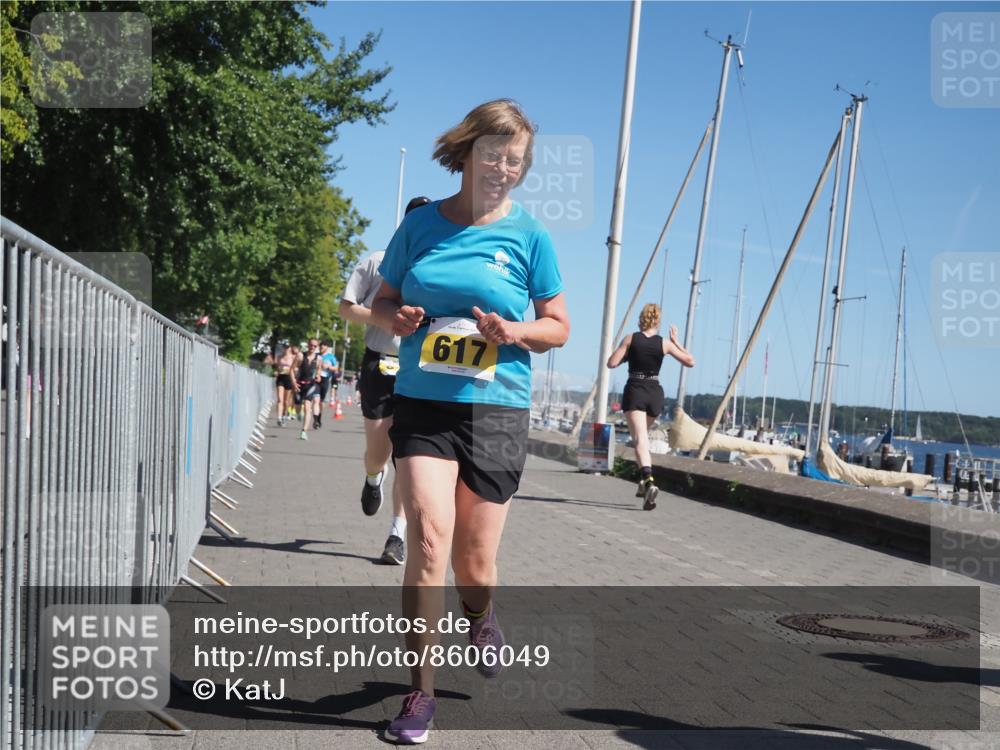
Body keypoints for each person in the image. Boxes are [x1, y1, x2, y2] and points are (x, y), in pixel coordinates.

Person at [371, 99, 569, 745]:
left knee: (474, 561)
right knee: (429, 539)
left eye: (515, 160)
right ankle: (419, 694)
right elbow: (384, 300)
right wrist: (395, 319)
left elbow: (559, 326)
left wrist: (515, 330)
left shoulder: (530, 236)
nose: (504, 167)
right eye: (494, 153)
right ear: (466, 152)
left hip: (498, 408)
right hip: (425, 403)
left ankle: (479, 617)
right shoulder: (422, 225)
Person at [340, 195, 432, 566]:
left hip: (418, 368)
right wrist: (384, 319)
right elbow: (345, 307)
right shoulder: (377, 262)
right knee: (380, 449)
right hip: (379, 363)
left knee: (408, 456)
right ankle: (371, 476)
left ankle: (396, 535)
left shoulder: (434, 270)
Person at [607, 303, 695, 510]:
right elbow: (690, 361)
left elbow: (611, 363)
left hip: (636, 390)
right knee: (643, 439)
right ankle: (642, 482)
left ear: (641, 319)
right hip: (655, 393)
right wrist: (676, 342)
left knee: (639, 439)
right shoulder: (664, 344)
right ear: (658, 321)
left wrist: (628, 354)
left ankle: (649, 481)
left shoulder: (631, 338)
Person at [295, 338, 323, 440]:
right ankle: (298, 414)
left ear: (317, 347)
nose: (312, 347)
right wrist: (294, 381)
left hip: (310, 385)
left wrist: (319, 376)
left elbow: (319, 369)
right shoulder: (301, 356)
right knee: (297, 406)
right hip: (299, 384)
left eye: (315, 346)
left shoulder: (319, 358)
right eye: (311, 345)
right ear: (308, 345)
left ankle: (304, 432)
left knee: (308, 408)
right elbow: (293, 369)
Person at [316, 340, 339, 427]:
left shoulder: (331, 356)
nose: (321, 347)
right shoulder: (317, 355)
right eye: (320, 346)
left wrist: (328, 367)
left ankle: (318, 417)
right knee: (315, 399)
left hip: (325, 379)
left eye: (323, 346)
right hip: (315, 378)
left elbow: (336, 368)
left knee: (321, 401)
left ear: (327, 347)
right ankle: (315, 416)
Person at [274, 345, 297, 426]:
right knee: (280, 399)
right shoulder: (279, 357)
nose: (285, 349)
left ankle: (284, 415)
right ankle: (279, 418)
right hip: (281, 378)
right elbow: (277, 368)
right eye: (284, 347)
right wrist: (277, 371)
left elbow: (296, 368)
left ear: (290, 348)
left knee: (286, 401)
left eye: (287, 347)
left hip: (289, 378)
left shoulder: (293, 357)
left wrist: (291, 371)